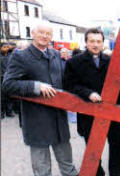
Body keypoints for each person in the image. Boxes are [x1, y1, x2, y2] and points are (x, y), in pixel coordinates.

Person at [2, 21, 78, 176]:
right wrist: (36, 87)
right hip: (37, 121)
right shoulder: (21, 56)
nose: (45, 36)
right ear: (33, 34)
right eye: (41, 32)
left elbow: (65, 81)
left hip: (58, 121)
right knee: (42, 170)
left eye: (48, 33)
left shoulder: (55, 55)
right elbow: (8, 85)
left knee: (68, 167)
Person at [64, 28, 120, 176]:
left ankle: (117, 173)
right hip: (88, 114)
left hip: (111, 113)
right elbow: (69, 86)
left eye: (98, 41)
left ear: (103, 43)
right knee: (93, 150)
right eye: (92, 41)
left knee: (116, 147)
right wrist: (88, 93)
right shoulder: (74, 62)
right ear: (86, 42)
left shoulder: (111, 61)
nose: (95, 44)